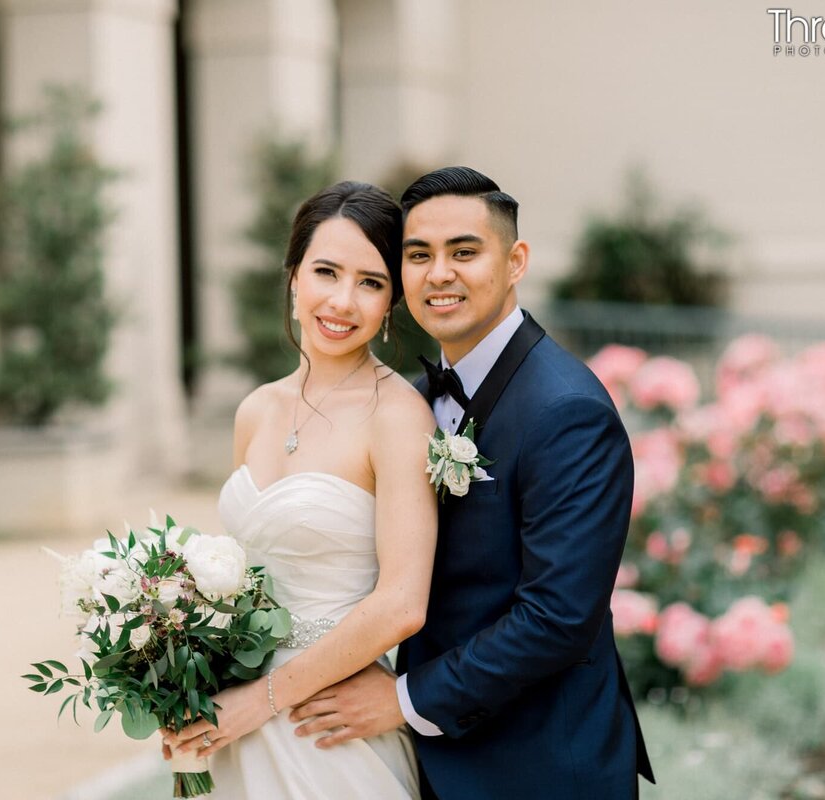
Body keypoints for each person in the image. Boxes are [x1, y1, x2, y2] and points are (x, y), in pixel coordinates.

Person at [288, 166, 655, 799]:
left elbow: (557, 618)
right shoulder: (415, 399)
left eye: (464, 252)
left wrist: (402, 700)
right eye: (418, 255)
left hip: (539, 766)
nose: (439, 274)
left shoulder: (567, 410)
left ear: (515, 261)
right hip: (430, 763)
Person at [163, 181, 437, 798]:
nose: (343, 300)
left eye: (370, 282)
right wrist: (175, 673)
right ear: (293, 279)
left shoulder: (397, 416)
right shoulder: (255, 410)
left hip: (330, 729)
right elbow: (239, 580)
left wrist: (261, 702)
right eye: (326, 271)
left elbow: (402, 604)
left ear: (391, 301)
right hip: (232, 722)